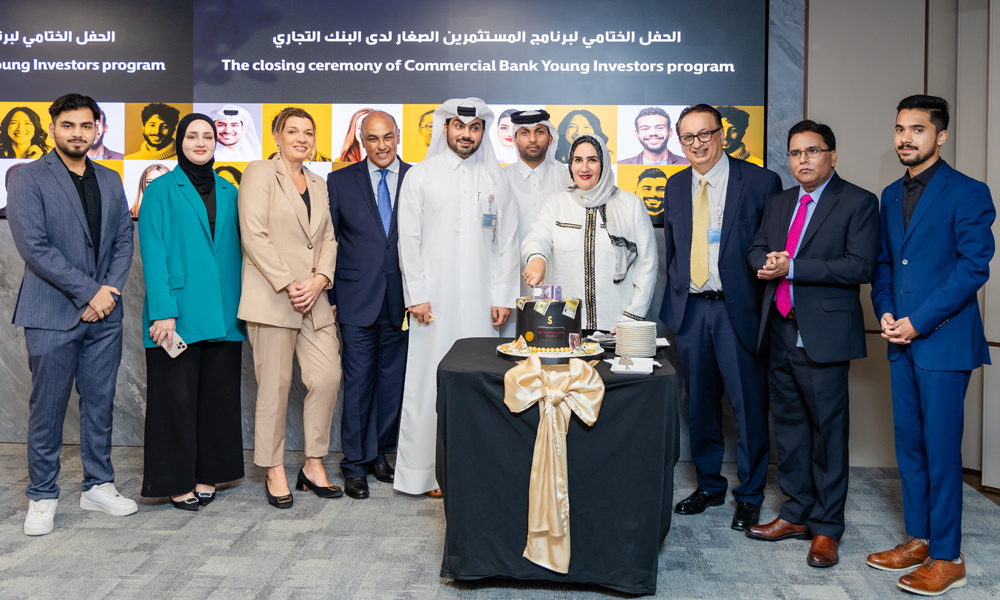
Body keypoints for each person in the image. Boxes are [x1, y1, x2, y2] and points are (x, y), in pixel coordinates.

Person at [867, 95, 994, 596]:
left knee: (941, 452)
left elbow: (972, 269)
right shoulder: (888, 195)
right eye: (900, 128)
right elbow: (883, 265)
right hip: (899, 336)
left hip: (942, 341)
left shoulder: (969, 192)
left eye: (917, 130)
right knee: (911, 447)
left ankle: (949, 556)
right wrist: (885, 310)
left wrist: (918, 322)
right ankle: (919, 539)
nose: (905, 138)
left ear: (940, 136)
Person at [744, 120, 879, 568]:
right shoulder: (780, 201)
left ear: (832, 156)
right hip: (780, 328)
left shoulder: (858, 201)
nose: (803, 159)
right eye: (796, 152)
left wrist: (794, 267)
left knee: (828, 435)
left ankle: (827, 528)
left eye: (813, 151)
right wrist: (764, 261)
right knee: (790, 430)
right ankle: (797, 513)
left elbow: (859, 266)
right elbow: (758, 245)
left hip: (821, 334)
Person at [7, 93, 137, 536]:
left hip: (105, 315)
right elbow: (34, 247)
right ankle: (42, 495)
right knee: (48, 407)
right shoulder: (27, 178)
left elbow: (123, 240)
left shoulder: (111, 177)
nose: (77, 133)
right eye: (68, 125)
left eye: (86, 126)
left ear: (98, 128)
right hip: (51, 311)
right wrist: (90, 293)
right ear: (53, 128)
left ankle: (98, 485)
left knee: (99, 404)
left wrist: (110, 291)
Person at [660, 104, 782, 531]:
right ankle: (710, 486)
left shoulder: (761, 182)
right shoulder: (675, 186)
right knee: (701, 405)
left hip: (738, 309)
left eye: (704, 134)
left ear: (722, 134)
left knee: (748, 405)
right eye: (688, 138)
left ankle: (749, 495)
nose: (697, 144)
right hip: (692, 310)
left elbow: (772, 245)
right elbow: (673, 250)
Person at [396, 97, 518, 497]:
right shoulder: (421, 175)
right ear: (445, 128)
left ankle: (477, 469)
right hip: (434, 305)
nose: (467, 135)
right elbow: (408, 242)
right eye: (459, 127)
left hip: (486, 307)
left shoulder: (497, 179)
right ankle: (428, 473)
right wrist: (417, 296)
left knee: (481, 384)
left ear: (483, 133)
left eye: (476, 128)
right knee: (430, 383)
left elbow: (508, 243)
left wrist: (503, 295)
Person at [138, 114, 246, 511]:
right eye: (192, 135)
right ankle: (176, 480)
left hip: (224, 313)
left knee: (217, 398)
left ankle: (207, 473)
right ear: (179, 140)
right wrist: (163, 311)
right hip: (177, 314)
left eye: (208, 136)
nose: (200, 142)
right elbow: (152, 252)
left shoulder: (230, 190)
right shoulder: (161, 190)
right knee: (175, 401)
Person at [238, 107, 342, 509]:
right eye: (293, 130)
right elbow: (254, 233)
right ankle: (274, 467)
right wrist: (290, 282)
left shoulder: (318, 181)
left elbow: (329, 239)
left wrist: (319, 281)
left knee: (328, 377)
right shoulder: (260, 173)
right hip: (274, 297)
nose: (301, 137)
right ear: (276, 136)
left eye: (308, 132)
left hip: (314, 298)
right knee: (275, 387)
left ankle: (313, 462)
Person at [327, 111, 410, 500]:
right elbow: (328, 242)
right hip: (355, 299)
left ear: (398, 137)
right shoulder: (339, 181)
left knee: (392, 384)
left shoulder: (416, 178)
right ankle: (355, 465)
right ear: (362, 140)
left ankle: (379, 453)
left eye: (387, 137)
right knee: (359, 383)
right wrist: (329, 297)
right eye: (373, 138)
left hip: (402, 300)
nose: (381, 146)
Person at [522, 134, 657, 329]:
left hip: (617, 328)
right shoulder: (556, 204)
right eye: (578, 160)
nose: (584, 168)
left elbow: (647, 265)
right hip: (565, 327)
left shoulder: (631, 205)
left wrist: (632, 318)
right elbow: (536, 239)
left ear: (603, 162)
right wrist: (536, 258)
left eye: (592, 160)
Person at [501, 109, 572, 305]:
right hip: (509, 284)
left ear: (550, 138)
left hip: (559, 282)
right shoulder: (499, 179)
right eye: (525, 132)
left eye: (539, 132)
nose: (532, 139)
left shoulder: (568, 178)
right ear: (515, 139)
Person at [619, 107, 688, 166]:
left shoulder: (687, 164)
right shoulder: (621, 165)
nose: (653, 133)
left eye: (659, 128)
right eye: (645, 129)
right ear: (637, 134)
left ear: (670, 132)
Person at [267, 108, 332, 162]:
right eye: (292, 132)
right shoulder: (261, 172)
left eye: (308, 133)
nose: (302, 139)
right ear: (277, 137)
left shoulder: (316, 176)